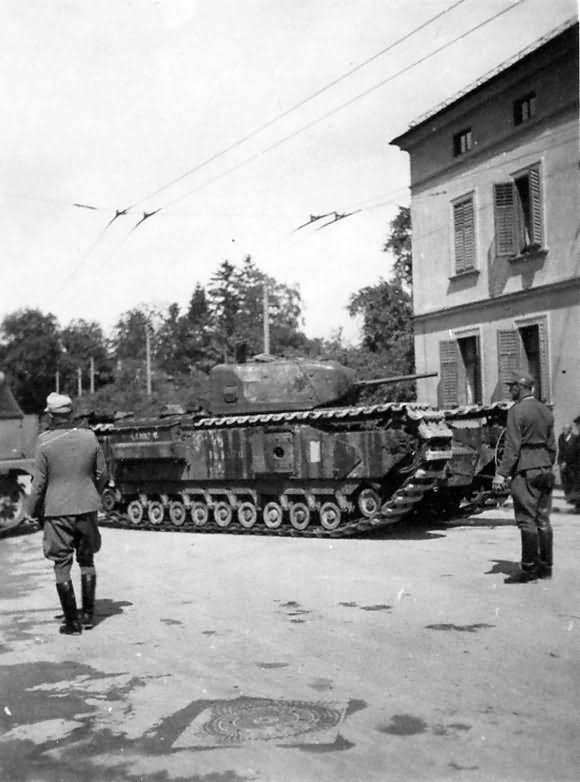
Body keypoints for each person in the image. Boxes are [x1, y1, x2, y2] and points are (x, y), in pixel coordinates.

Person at [28, 392, 107, 634]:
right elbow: (103, 474)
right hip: (87, 507)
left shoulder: (44, 441)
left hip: (57, 510)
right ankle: (89, 616)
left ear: (50, 415)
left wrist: (32, 509)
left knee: (61, 563)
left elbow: (38, 483)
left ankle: (72, 623)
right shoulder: (89, 436)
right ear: (70, 413)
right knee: (87, 559)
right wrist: (93, 494)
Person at [492, 370, 556, 582]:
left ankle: (528, 570)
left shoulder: (516, 411)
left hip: (525, 470)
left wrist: (501, 474)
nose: (509, 390)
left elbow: (512, 447)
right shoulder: (545, 410)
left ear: (520, 388)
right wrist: (546, 465)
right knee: (543, 520)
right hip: (545, 468)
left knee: (526, 520)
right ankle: (546, 568)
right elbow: (552, 445)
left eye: (512, 387)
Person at [557, 423, 576, 501]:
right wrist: (560, 462)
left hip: (571, 464)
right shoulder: (561, 437)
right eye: (563, 428)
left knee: (572, 481)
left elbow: (573, 452)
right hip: (562, 462)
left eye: (566, 429)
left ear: (570, 430)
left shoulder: (575, 438)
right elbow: (561, 450)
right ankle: (567, 496)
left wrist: (566, 462)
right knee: (564, 480)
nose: (563, 430)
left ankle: (572, 498)